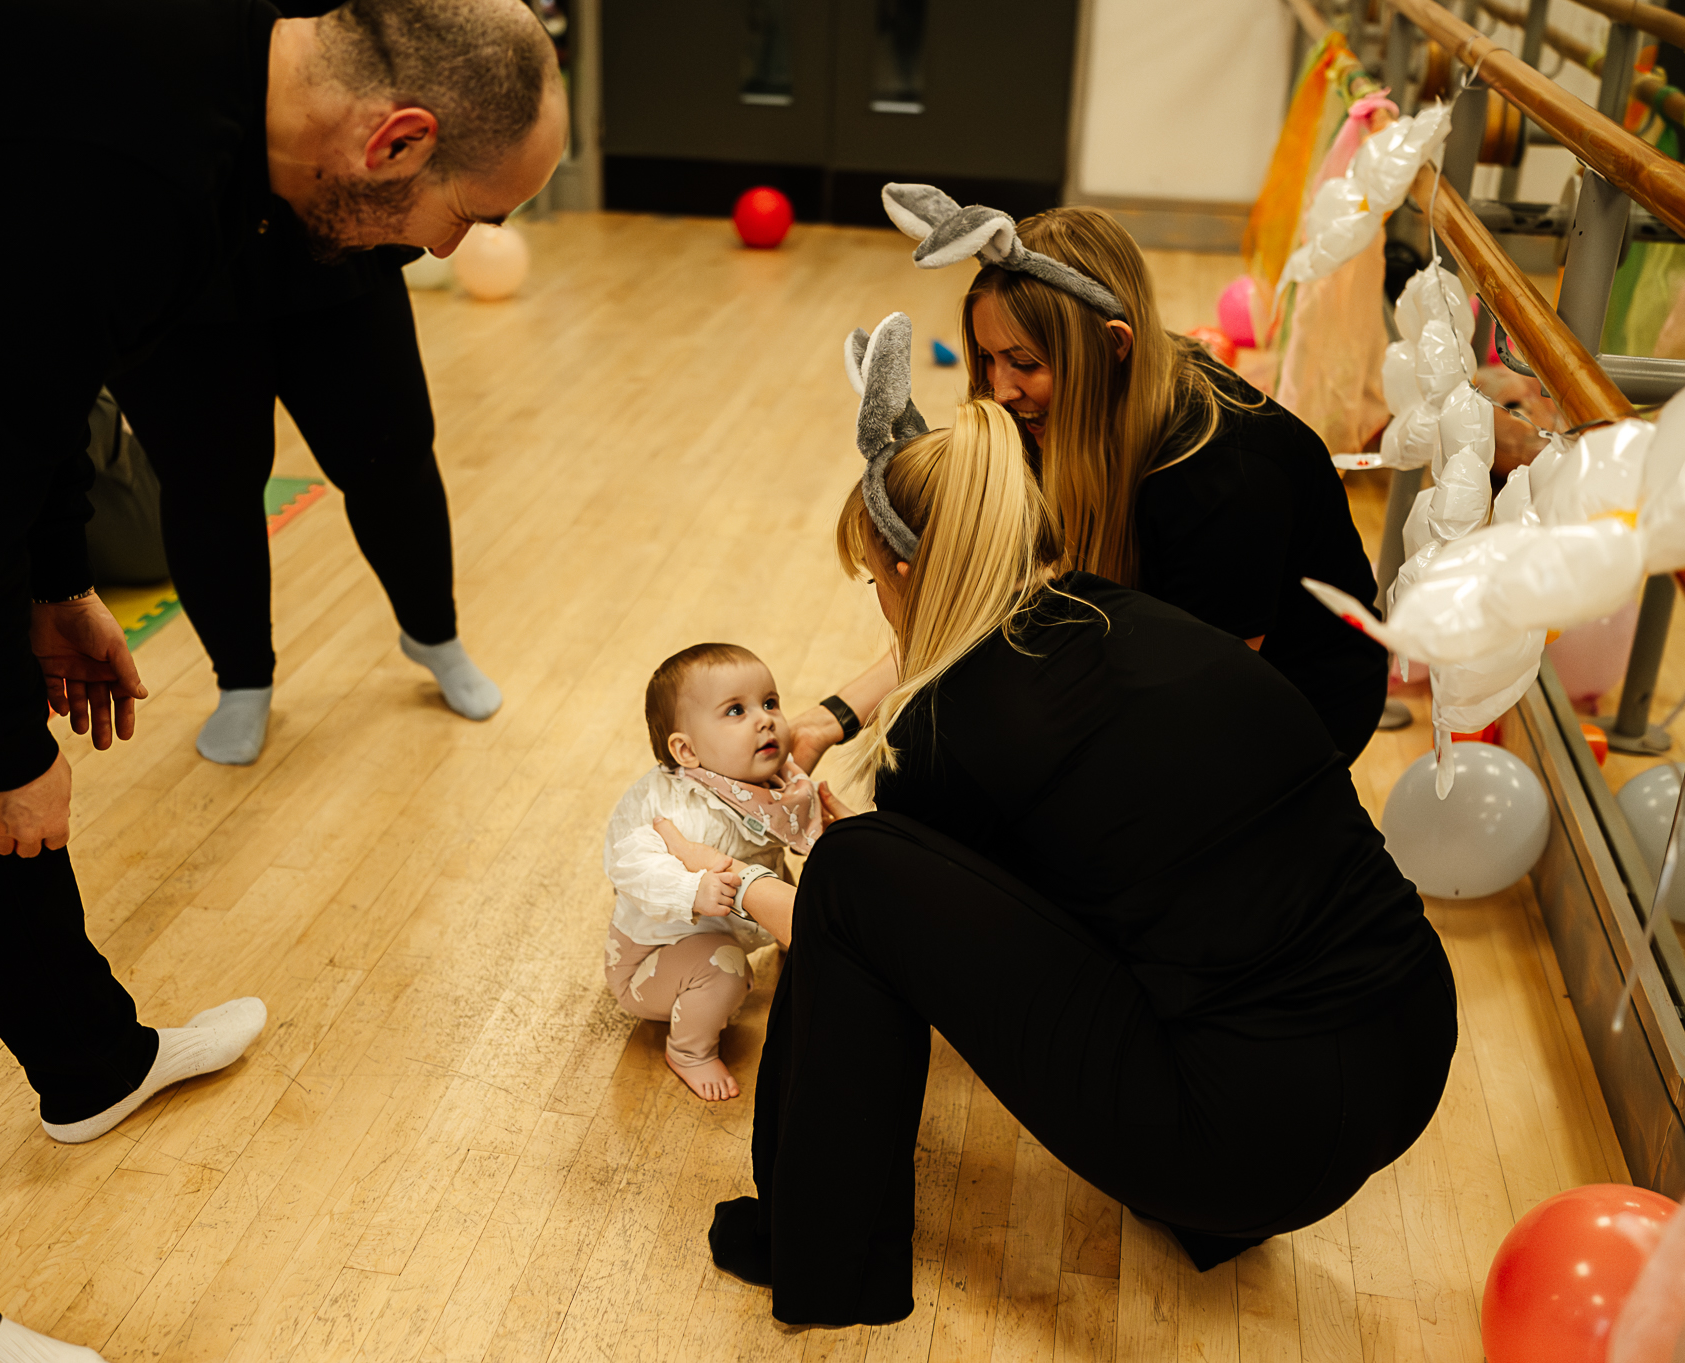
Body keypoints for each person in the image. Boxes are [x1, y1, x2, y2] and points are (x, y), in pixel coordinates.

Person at [0, 1, 565, 1359]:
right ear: (398, 139)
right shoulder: (117, 157)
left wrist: (52, 579)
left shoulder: (210, 106)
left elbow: (18, 379)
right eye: (462, 213)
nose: (452, 248)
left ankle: (87, 1060)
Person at [662, 323, 1455, 1327]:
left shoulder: (954, 732)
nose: (882, 606)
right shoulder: (1139, 620)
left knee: (856, 875)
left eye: (875, 583)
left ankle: (820, 1253)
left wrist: (826, 860)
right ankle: (1207, 1206)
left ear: (907, 572)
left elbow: (913, 931)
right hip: (1408, 1050)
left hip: (1244, 1143)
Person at [792, 185, 1389, 767]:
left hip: (1287, 713)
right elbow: (987, 591)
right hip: (1162, 661)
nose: (1000, 389)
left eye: (1024, 363)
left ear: (1114, 346)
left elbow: (1213, 696)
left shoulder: (1223, 473)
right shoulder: (1056, 411)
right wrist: (832, 717)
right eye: (988, 358)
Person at [108, 0, 501, 768]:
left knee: (391, 458)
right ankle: (242, 678)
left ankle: (434, 633)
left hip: (341, 228)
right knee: (207, 484)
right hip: (192, 256)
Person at [602, 643, 815, 1101]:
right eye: (736, 710)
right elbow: (628, 863)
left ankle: (790, 937)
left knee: (775, 877)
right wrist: (690, 888)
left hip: (714, 928)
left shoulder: (762, 787)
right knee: (726, 967)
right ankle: (689, 1051)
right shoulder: (672, 806)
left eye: (770, 702)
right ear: (687, 750)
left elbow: (775, 854)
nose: (765, 719)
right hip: (648, 965)